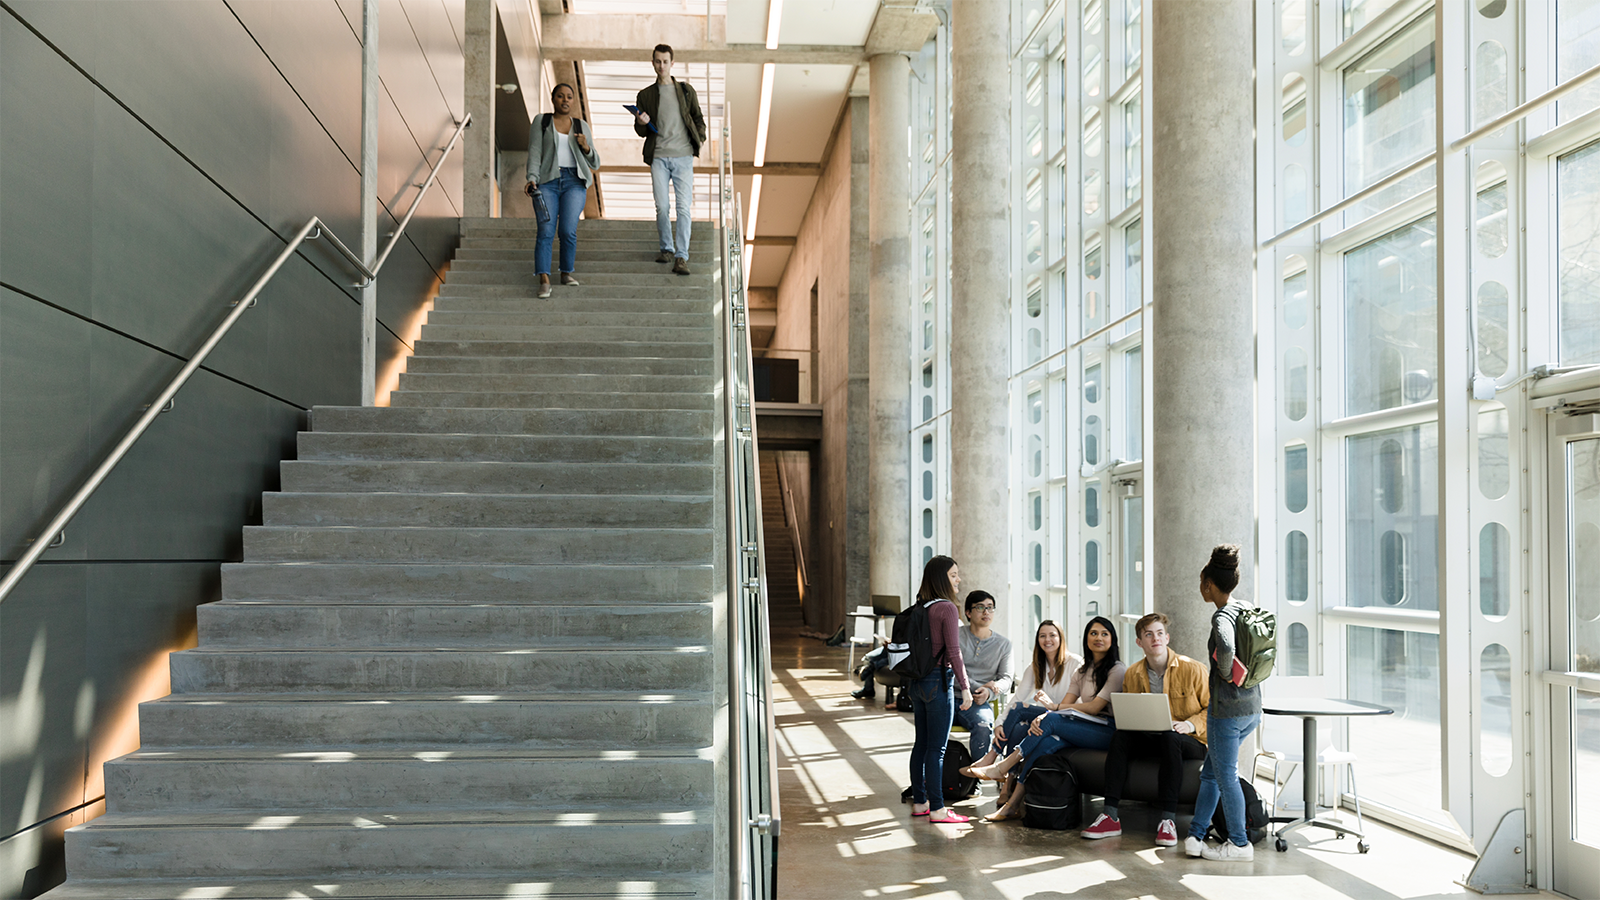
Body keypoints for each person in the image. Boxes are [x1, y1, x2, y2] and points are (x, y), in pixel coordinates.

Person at [967, 617, 1125, 815]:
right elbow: (1062, 707)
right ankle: (1012, 804)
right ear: (1086, 639)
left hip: (1106, 730)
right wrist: (1049, 712)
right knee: (1044, 741)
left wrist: (1052, 709)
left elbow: (1094, 708)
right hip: (1079, 725)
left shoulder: (1117, 669)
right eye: (1093, 633)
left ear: (1113, 639)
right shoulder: (1082, 671)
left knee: (1045, 720)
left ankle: (1003, 766)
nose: (1098, 638)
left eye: (1104, 634)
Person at [1080, 612, 1209, 847]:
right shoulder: (1134, 673)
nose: (1155, 639)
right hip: (1153, 737)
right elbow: (1131, 712)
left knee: (1171, 737)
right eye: (1148, 635)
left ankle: (1167, 821)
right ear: (1140, 642)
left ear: (1167, 638)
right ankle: (1110, 816)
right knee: (1120, 737)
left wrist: (1189, 724)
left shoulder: (1194, 669)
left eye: (1159, 633)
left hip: (1190, 740)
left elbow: (1213, 712)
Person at [1184, 543, 1262, 862]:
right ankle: (1196, 836)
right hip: (1251, 708)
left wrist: (1226, 674)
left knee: (1225, 775)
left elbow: (1226, 646)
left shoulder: (1221, 617)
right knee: (1211, 773)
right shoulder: (1247, 608)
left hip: (1227, 711)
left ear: (1208, 583)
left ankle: (1240, 844)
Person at [959, 620, 1078, 821]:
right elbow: (1017, 698)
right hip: (1046, 716)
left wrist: (1049, 709)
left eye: (1052, 635)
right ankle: (1004, 782)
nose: (1047, 640)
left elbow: (1077, 704)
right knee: (1018, 719)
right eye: (1042, 636)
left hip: (1066, 717)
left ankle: (997, 767)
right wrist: (999, 724)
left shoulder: (1075, 663)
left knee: (1024, 720)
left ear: (1061, 638)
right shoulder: (1036, 667)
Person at [904, 555, 974, 825]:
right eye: (954, 574)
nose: (958, 579)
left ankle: (921, 802)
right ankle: (938, 809)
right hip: (938, 682)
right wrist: (965, 688)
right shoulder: (946, 608)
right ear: (941, 577)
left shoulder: (922, 605)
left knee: (921, 744)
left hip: (917, 682)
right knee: (937, 749)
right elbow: (954, 653)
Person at [632, 43, 706, 276]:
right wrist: (641, 123)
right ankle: (666, 248)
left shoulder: (685, 91)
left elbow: (697, 118)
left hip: (683, 156)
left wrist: (699, 139)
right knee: (662, 206)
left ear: (672, 64)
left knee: (684, 208)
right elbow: (642, 132)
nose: (661, 65)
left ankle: (681, 257)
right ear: (652, 63)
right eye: (657, 61)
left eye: (665, 61)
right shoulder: (645, 95)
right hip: (659, 157)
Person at [525, 83, 601, 300]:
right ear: (553, 99)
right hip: (547, 181)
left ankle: (566, 272)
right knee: (546, 230)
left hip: (574, 182)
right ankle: (544, 279)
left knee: (568, 230)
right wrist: (532, 178)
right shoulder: (542, 121)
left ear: (573, 100)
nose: (565, 100)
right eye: (560, 96)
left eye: (569, 96)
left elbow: (595, 162)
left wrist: (586, 147)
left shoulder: (581, 125)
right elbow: (535, 152)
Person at [953, 591, 1014, 762]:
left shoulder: (1003, 645)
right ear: (968, 613)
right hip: (948, 696)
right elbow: (949, 670)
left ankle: (977, 777)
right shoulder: (955, 636)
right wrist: (978, 686)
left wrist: (989, 693)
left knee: (983, 725)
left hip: (978, 702)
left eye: (990, 608)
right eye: (980, 607)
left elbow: (1007, 679)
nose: (986, 612)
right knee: (933, 725)